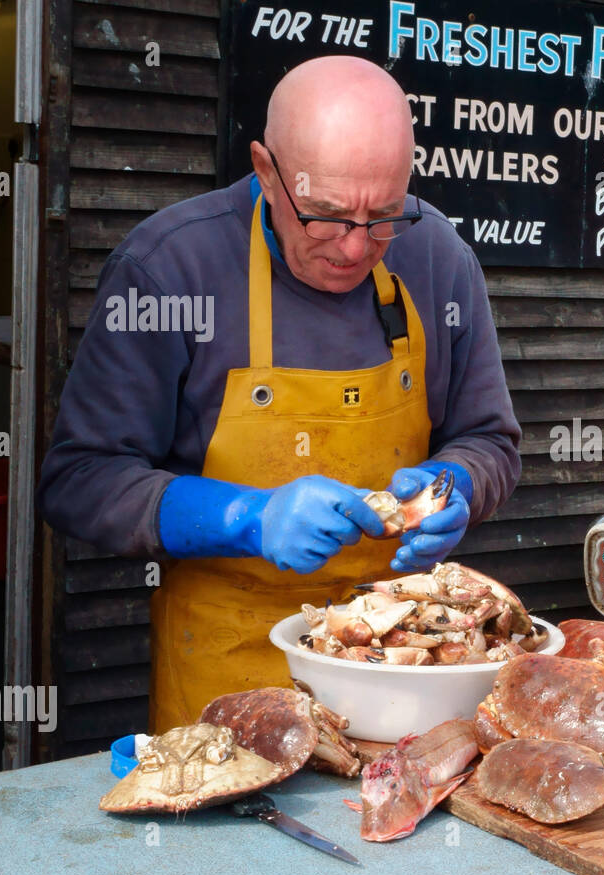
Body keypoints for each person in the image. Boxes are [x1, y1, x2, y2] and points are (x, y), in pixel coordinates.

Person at [38, 56, 521, 732]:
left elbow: (490, 438)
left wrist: (459, 484)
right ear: (266, 171)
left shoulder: (437, 256)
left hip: (402, 675)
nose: (355, 248)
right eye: (325, 215)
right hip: (226, 688)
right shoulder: (170, 269)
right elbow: (77, 479)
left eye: (382, 216)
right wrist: (244, 516)